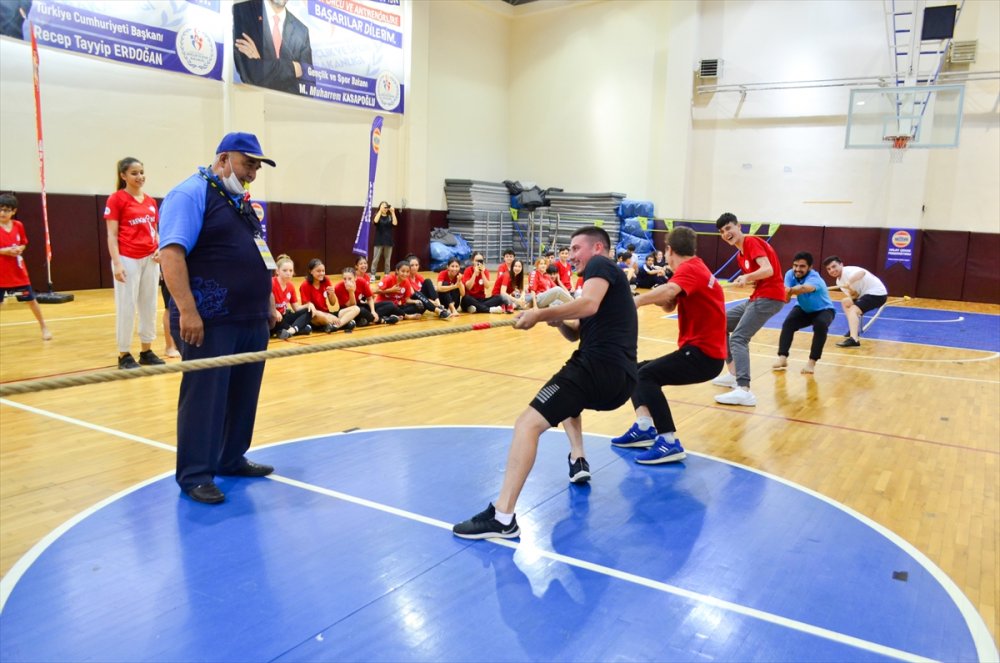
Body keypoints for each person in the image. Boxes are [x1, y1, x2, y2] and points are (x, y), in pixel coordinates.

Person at [452, 226, 637, 539]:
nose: (572, 254)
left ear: (597, 248)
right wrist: (557, 321)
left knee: (527, 424)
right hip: (618, 379)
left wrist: (537, 315)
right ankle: (577, 457)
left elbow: (588, 306)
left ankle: (502, 517)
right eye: (571, 248)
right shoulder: (601, 282)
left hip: (597, 368)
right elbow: (577, 331)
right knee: (564, 400)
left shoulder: (600, 265)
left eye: (577, 248)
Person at [158, 131, 281, 505]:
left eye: (258, 167)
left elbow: (260, 256)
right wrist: (188, 311)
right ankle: (195, 474)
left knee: (244, 394)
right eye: (248, 164)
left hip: (251, 318)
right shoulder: (190, 193)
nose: (253, 174)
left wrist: (270, 302)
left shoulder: (240, 201)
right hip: (210, 321)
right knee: (205, 398)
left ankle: (230, 457)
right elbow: (171, 255)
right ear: (224, 159)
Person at [611, 227, 727, 463]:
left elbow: (671, 290)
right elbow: (669, 304)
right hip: (704, 353)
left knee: (647, 376)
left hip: (702, 354)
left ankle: (669, 441)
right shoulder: (697, 268)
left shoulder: (690, 269)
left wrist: (638, 300)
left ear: (670, 250)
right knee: (637, 370)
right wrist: (662, 297)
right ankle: (644, 427)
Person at [711, 212, 785, 407]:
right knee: (720, 323)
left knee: (739, 337)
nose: (726, 233)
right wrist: (748, 281)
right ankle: (733, 374)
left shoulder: (751, 242)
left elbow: (768, 269)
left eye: (728, 228)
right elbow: (760, 276)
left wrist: (747, 277)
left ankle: (743, 389)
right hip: (759, 295)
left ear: (738, 227)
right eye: (722, 231)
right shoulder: (739, 256)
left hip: (769, 297)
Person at [104, 157, 165, 370]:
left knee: (149, 305)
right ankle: (124, 354)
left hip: (150, 258)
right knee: (126, 306)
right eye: (134, 173)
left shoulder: (149, 201)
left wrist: (159, 248)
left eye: (141, 172)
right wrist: (117, 263)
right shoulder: (116, 199)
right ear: (123, 176)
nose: (140, 177)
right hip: (128, 258)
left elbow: (154, 230)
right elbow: (111, 235)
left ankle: (146, 350)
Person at [0, 193, 52, 341]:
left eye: (6, 210)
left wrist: (19, 249)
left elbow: (23, 242)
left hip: (17, 272)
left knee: (31, 300)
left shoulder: (18, 225)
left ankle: (43, 327)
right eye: (0, 209)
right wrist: (5, 251)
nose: (3, 213)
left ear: (13, 211)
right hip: (1, 272)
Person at [233, 0, 312, 95]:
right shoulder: (242, 10)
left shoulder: (302, 31)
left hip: (288, 107)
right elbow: (250, 73)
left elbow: (308, 87)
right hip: (252, 104)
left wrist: (262, 63)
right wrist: (294, 68)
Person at [774, 252, 836, 373]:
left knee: (820, 325)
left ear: (810, 267)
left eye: (802, 266)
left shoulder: (815, 278)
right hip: (804, 308)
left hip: (824, 310)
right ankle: (782, 358)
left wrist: (790, 290)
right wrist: (784, 292)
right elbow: (786, 300)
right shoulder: (789, 274)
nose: (797, 269)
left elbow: (803, 289)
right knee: (788, 324)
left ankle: (811, 363)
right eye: (795, 265)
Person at [822, 256, 888, 348]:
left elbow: (862, 273)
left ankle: (854, 340)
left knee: (853, 310)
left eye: (834, 267)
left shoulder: (848, 271)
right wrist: (851, 290)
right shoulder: (839, 282)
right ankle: (854, 330)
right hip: (864, 295)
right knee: (845, 302)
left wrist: (849, 282)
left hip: (877, 294)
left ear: (841, 265)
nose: (832, 270)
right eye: (829, 269)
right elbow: (855, 296)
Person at [299, 258, 359, 332]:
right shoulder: (305, 285)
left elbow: (333, 303)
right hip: (315, 316)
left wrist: (332, 294)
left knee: (356, 309)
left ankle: (336, 326)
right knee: (321, 316)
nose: (321, 273)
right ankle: (344, 323)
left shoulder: (326, 280)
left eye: (323, 271)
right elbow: (308, 309)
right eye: (318, 271)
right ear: (311, 271)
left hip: (328, 313)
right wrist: (327, 316)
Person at [271, 254, 312, 339]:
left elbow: (296, 308)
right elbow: (262, 303)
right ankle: (296, 329)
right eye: (285, 270)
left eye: (290, 270)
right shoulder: (271, 283)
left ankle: (290, 331)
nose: (288, 273)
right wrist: (274, 310)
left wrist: (309, 305)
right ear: (277, 271)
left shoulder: (290, 286)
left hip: (284, 316)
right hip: (273, 318)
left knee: (309, 311)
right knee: (307, 329)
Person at [370, 201, 397, 278]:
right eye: (383, 206)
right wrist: (380, 211)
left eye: (386, 206)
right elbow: (375, 221)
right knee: (375, 259)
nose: (385, 208)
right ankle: (372, 274)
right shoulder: (377, 215)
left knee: (387, 260)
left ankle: (387, 274)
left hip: (388, 241)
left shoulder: (390, 216)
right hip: (378, 241)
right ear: (380, 207)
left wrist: (393, 212)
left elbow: (395, 223)